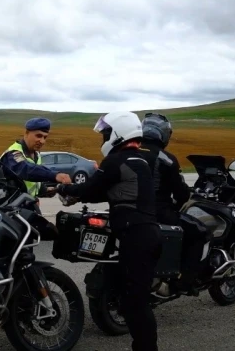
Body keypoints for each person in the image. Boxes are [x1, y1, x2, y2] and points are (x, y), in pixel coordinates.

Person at [56, 111, 162, 351]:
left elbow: (92, 187)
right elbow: (103, 192)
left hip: (136, 236)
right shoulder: (139, 160)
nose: (103, 138)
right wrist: (75, 194)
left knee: (136, 301)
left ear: (118, 133)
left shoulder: (116, 161)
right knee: (132, 296)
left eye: (105, 133)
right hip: (144, 234)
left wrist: (64, 187)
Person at [139, 113, 208, 295]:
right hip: (158, 212)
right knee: (198, 232)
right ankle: (184, 283)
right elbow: (181, 193)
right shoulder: (165, 158)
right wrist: (184, 195)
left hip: (128, 211)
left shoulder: (126, 153)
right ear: (164, 134)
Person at [0, 117, 72, 197]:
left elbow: (33, 182)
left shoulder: (36, 155)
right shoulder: (13, 153)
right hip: (10, 206)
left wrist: (45, 190)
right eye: (38, 136)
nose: (42, 141)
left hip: (26, 204)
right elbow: (26, 169)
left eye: (45, 137)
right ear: (26, 133)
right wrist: (55, 175)